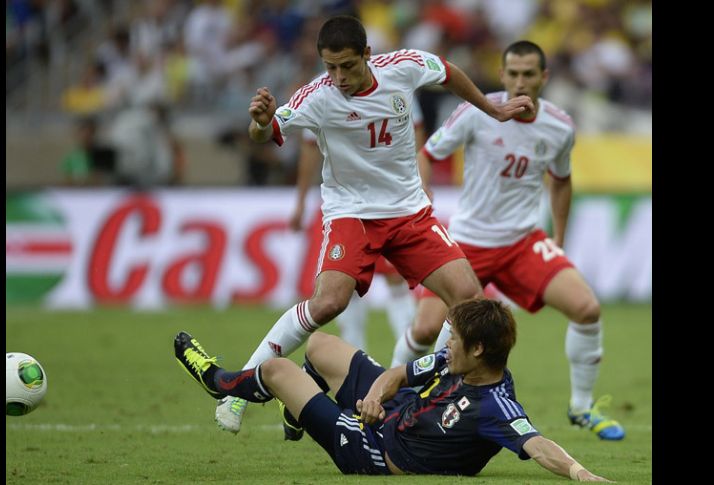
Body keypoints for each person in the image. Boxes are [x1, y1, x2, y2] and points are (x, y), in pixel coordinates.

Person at [214, 14, 534, 434]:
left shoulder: (401, 67)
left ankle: (432, 393)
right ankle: (239, 391)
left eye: (347, 65)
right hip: (352, 213)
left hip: (407, 211)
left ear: (368, 54)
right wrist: (259, 122)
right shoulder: (317, 96)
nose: (339, 77)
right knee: (329, 303)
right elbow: (269, 131)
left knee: (469, 299)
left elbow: (447, 71)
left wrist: (489, 107)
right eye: (330, 67)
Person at [389, 40, 624, 440]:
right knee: (427, 330)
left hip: (521, 241)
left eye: (528, 74)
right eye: (512, 73)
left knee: (586, 309)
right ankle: (391, 394)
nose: (519, 82)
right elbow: (426, 152)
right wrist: (422, 194)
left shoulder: (560, 126)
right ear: (502, 76)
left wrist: (559, 239)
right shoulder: (475, 112)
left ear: (543, 78)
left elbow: (562, 182)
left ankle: (582, 407)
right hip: (465, 242)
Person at [174, 298, 612, 481]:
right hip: (395, 411)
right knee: (322, 344)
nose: (446, 344)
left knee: (276, 370)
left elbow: (537, 444)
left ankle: (219, 383)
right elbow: (399, 375)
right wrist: (374, 396)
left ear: (478, 349)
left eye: (455, 338)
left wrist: (581, 474)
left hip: (377, 450)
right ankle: (300, 407)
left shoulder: (496, 406)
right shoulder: (452, 360)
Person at [287, 98, 426, 350]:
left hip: (390, 201)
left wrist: (421, 189)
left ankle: (409, 356)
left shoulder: (395, 81)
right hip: (345, 205)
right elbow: (309, 148)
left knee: (396, 276)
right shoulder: (319, 94)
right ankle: (354, 358)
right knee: (343, 282)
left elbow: (417, 136)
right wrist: (300, 200)